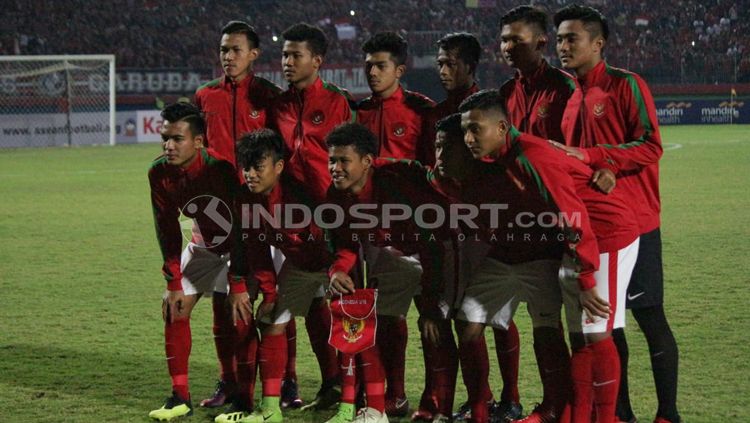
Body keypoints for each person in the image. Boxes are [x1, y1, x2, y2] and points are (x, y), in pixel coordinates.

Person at [455, 89, 641, 423]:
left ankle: (607, 417)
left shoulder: (530, 156)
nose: (468, 138)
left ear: (501, 128)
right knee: (581, 334)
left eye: (475, 129)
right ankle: (577, 414)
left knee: (596, 332)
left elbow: (573, 216)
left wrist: (585, 277)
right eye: (465, 130)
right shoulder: (507, 156)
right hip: (580, 242)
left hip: (606, 235)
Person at [553, 5, 680, 423]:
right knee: (608, 326)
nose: (563, 46)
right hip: (597, 231)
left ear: (598, 43)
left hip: (637, 222)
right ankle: (620, 412)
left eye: (572, 38)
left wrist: (598, 158)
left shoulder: (626, 85)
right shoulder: (571, 98)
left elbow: (650, 144)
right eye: (559, 39)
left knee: (648, 315)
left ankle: (667, 413)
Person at [193, 20, 294, 410]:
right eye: (223, 50)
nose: (228, 56)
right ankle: (229, 380)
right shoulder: (205, 96)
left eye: (236, 49)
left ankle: (287, 380)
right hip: (220, 214)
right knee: (224, 301)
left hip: (265, 214)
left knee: (276, 301)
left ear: (254, 54)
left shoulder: (270, 97)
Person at [326, 123, 452, 423]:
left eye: (344, 160)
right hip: (395, 251)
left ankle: (437, 403)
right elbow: (342, 243)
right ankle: (392, 397)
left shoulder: (400, 180)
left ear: (367, 161)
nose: (335, 168)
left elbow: (432, 244)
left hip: (444, 247)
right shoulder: (336, 193)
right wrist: (338, 270)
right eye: (332, 160)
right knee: (381, 318)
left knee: (434, 325)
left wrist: (432, 302)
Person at [214, 129, 336, 423]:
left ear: (278, 167)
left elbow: (336, 235)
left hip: (337, 264)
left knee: (351, 328)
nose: (250, 175)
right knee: (271, 321)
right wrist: (268, 292)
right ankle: (269, 410)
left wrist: (340, 272)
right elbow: (254, 249)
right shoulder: (246, 197)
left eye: (258, 167)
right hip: (300, 265)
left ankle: (355, 398)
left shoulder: (303, 193)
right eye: (246, 168)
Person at [271, 22, 354, 410]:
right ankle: (331, 382)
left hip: (338, 219)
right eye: (285, 55)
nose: (287, 62)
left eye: (295, 55)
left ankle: (362, 393)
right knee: (312, 307)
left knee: (346, 305)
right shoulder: (280, 105)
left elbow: (351, 162)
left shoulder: (337, 102)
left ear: (317, 61)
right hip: (297, 222)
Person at [355, 31, 436, 418]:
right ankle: (397, 393)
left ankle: (435, 395)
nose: (372, 71)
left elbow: (432, 172)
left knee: (431, 315)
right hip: (375, 229)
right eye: (368, 64)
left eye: (380, 65)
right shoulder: (358, 113)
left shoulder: (423, 111)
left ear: (400, 70)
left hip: (420, 230)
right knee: (390, 316)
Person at [147, 102, 239, 421]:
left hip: (237, 249)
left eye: (177, 139)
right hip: (201, 246)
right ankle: (179, 396)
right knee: (174, 309)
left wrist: (239, 279)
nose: (168, 146)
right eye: (165, 138)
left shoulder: (221, 170)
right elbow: (167, 227)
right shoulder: (159, 172)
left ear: (198, 142)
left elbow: (242, 226)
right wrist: (173, 280)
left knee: (235, 315)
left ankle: (239, 387)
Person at [498, 5, 574, 142]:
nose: (508, 48)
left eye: (516, 40)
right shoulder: (505, 93)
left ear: (541, 42)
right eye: (504, 40)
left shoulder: (567, 88)